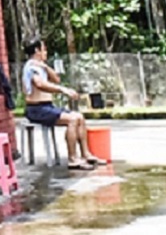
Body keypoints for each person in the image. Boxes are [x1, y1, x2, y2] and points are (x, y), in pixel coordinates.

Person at [22, 37, 105, 169]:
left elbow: (56, 79)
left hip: (47, 107)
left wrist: (46, 66)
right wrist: (63, 90)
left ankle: (86, 154)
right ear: (37, 50)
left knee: (79, 117)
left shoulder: (40, 66)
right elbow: (39, 84)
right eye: (44, 49)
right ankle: (72, 159)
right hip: (36, 109)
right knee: (72, 119)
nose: (46, 52)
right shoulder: (31, 66)